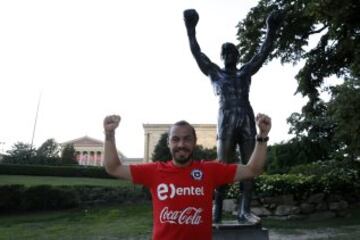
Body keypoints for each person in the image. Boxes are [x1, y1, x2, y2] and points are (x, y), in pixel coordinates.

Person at [103, 113, 271, 240]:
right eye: (175, 139)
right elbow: (113, 168)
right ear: (168, 143)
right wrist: (109, 135)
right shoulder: (153, 171)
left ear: (194, 142)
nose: (181, 145)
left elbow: (252, 169)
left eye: (187, 139)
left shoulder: (210, 170)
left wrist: (262, 136)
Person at [183, 9, 281, 224]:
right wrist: (191, 29)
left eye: (232, 53)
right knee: (221, 166)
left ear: (237, 56)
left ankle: (244, 211)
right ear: (222, 57)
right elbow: (197, 52)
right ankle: (216, 211)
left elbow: (262, 53)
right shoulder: (214, 73)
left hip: (246, 118)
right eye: (225, 54)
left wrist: (271, 30)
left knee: (249, 166)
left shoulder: (245, 72)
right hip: (226, 119)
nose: (229, 56)